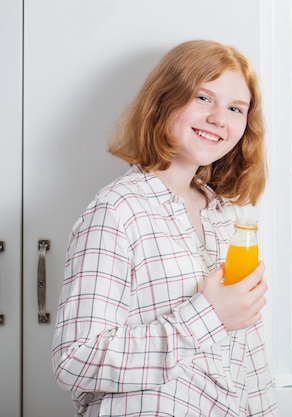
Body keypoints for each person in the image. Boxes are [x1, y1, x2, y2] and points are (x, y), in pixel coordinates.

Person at [51, 39, 278, 417]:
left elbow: (247, 354)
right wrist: (209, 315)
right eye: (204, 98)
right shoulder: (118, 210)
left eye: (236, 108)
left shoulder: (224, 215)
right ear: (163, 101)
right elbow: (75, 361)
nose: (220, 118)